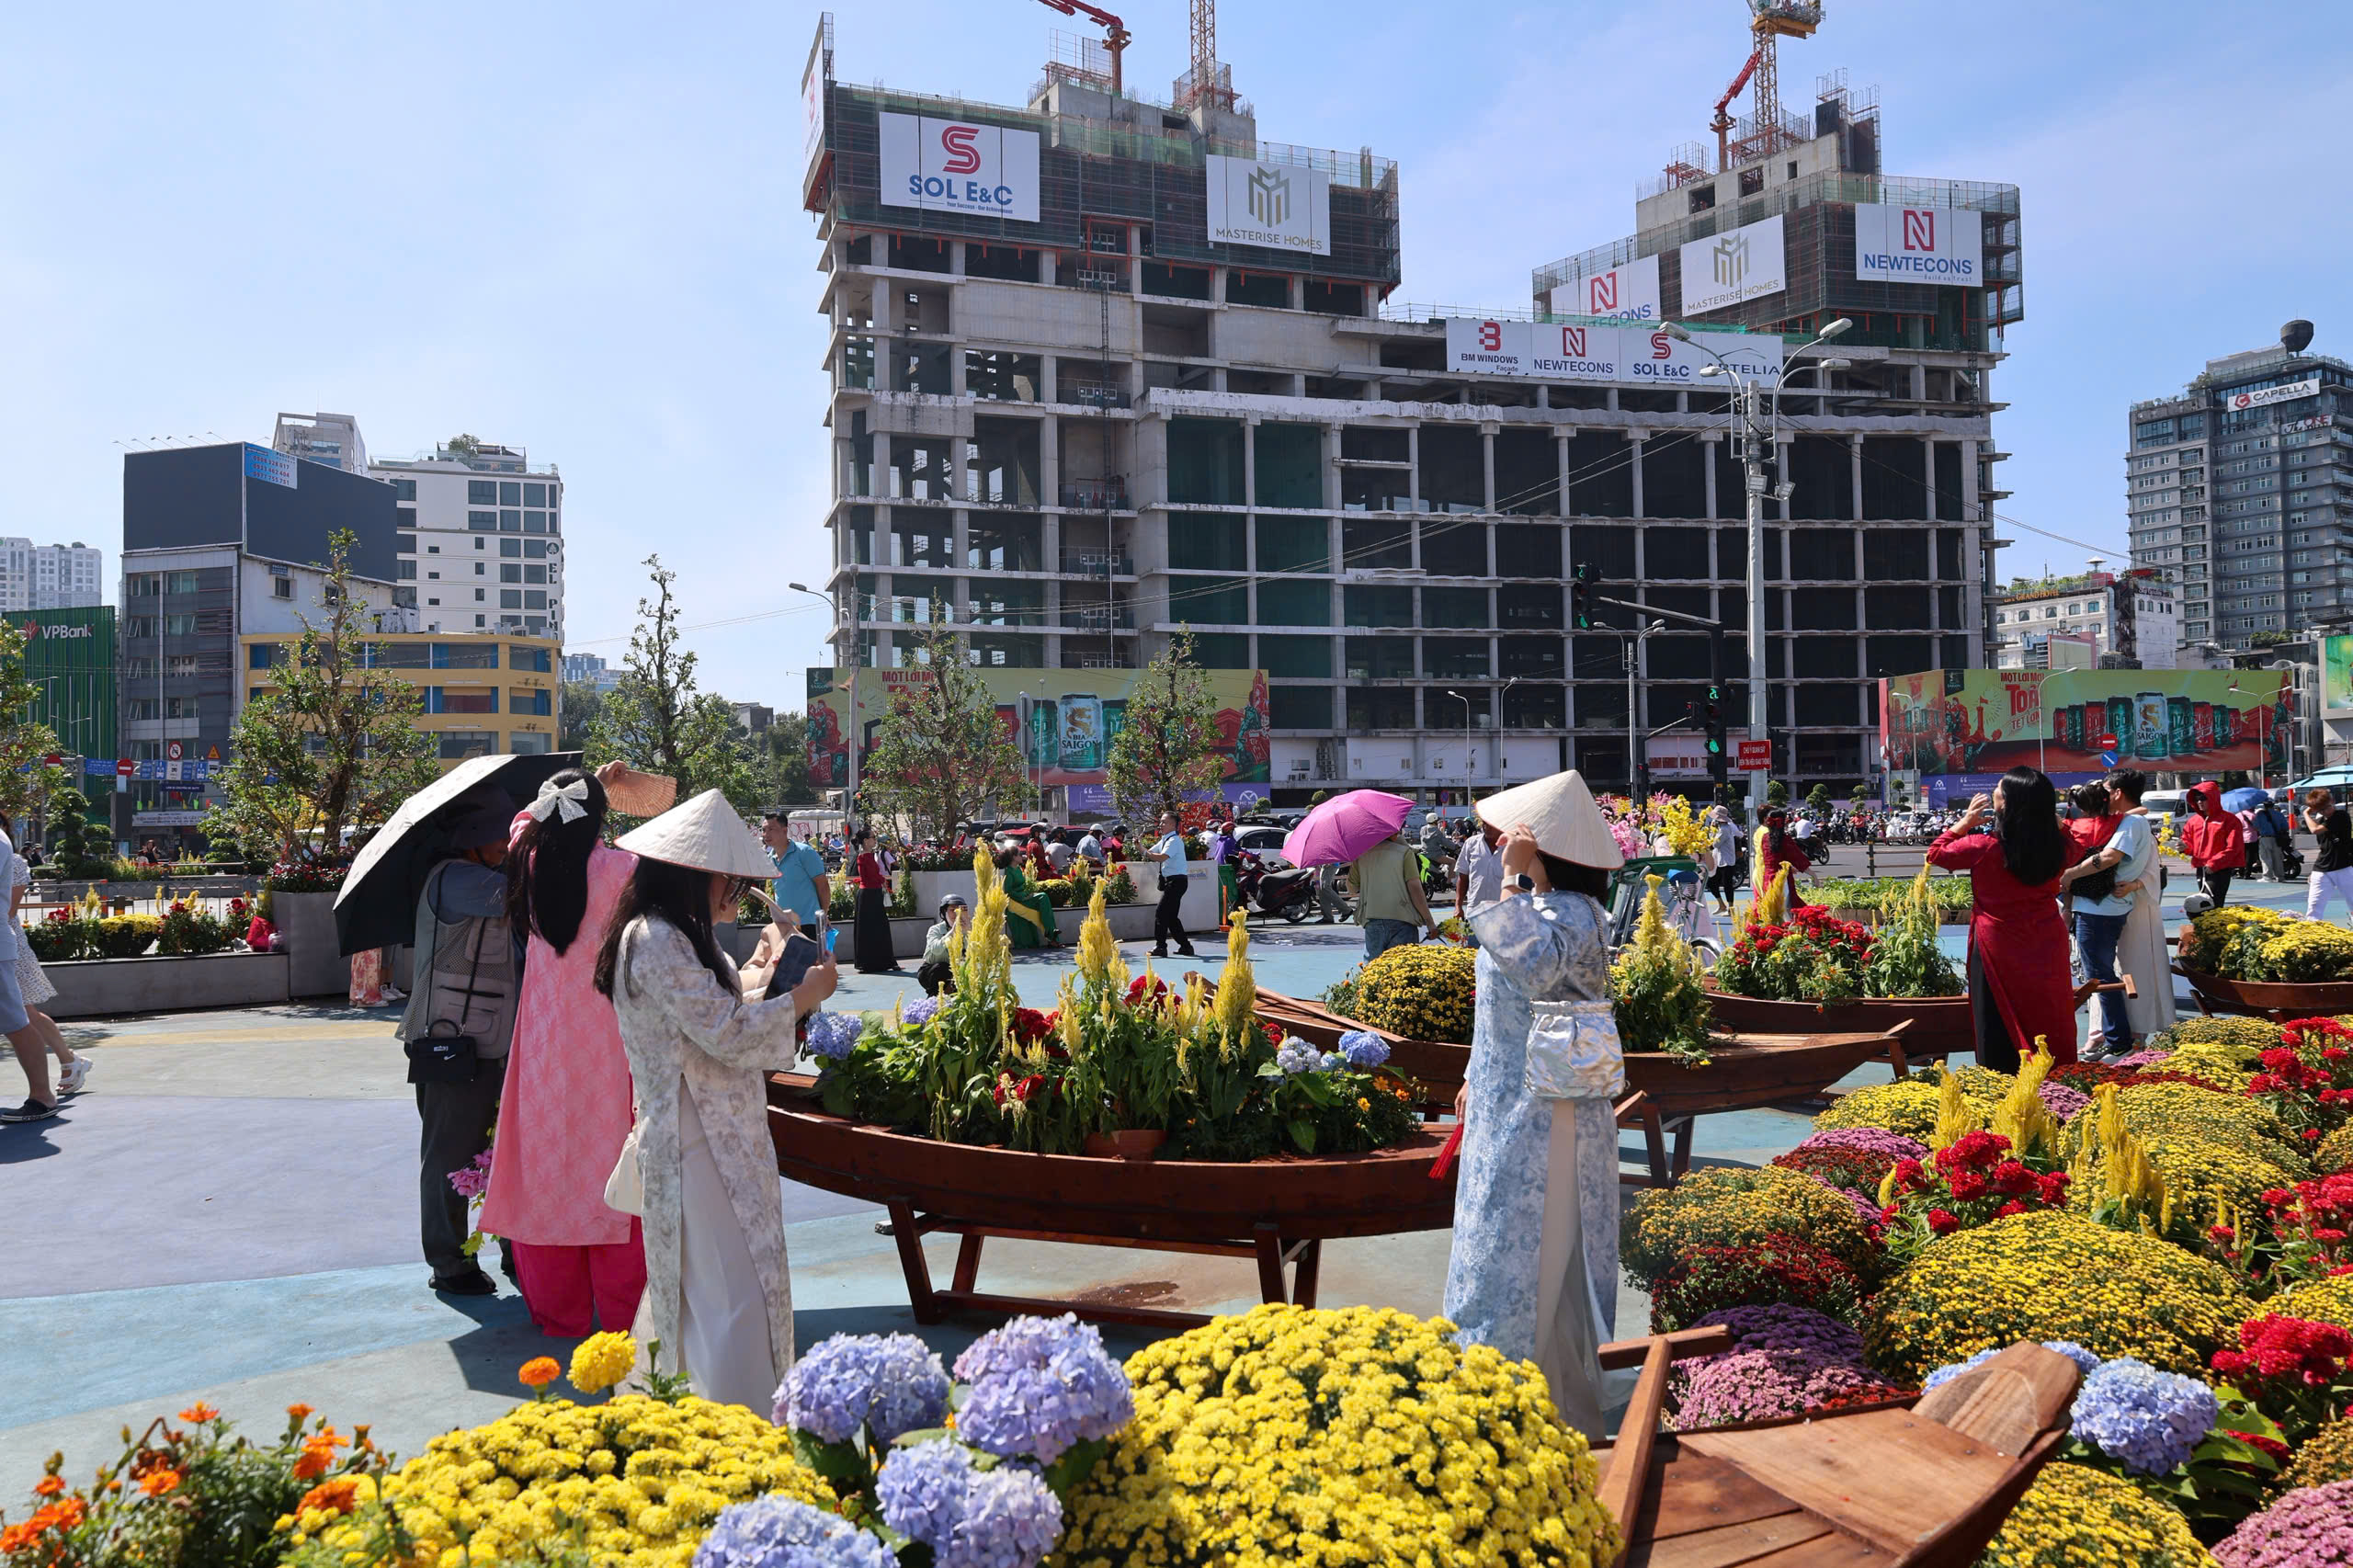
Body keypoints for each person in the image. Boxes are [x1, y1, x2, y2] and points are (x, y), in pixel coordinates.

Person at [597, 789, 837, 1408]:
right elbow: (725, 1033)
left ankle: (699, 1425)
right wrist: (802, 997)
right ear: (692, 877)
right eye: (726, 881)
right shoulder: (654, 938)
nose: (732, 893)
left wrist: (770, 976)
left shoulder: (664, 933)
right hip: (694, 1137)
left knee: (710, 1294)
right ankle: (741, 1431)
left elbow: (713, 1022)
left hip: (710, 1133)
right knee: (730, 1296)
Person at [1444, 768, 1624, 1435]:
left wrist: (1515, 881)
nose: (1499, 846)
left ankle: (1513, 1394)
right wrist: (1471, 1069)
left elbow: (1534, 969)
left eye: (1515, 840)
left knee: (1524, 1251)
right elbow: (1499, 1007)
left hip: (1548, 1112)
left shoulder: (1574, 914)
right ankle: (1527, 1388)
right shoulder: (1550, 909)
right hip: (1511, 1098)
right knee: (1501, 1241)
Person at [481, 764, 647, 1338]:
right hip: (608, 1037)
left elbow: (526, 818)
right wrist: (598, 792)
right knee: (615, 1165)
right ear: (599, 817)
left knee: (550, 1169)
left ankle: (559, 1312)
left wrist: (577, 789)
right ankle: (624, 1314)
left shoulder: (526, 855)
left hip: (544, 1043)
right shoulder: (623, 869)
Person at [395, 799, 523, 1294]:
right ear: (472, 836)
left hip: (492, 1039)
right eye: (501, 835)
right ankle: (449, 1264)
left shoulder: (480, 875)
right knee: (451, 1158)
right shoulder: (456, 879)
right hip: (456, 1042)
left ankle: (519, 1250)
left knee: (507, 1154)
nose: (507, 845)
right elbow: (521, 898)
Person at [1927, 767, 2076, 1071]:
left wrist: (1964, 823)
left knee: (1995, 1016)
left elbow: (1936, 854)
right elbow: (2073, 839)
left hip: (1997, 940)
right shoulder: (2060, 846)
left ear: (2005, 802)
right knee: (2048, 1010)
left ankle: (2000, 1082)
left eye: (1999, 789)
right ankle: (2056, 1077)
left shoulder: (1983, 847)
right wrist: (2044, 811)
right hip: (2047, 938)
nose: (1993, 791)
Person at [2056, 776, 2153, 1060]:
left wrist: (2070, 875)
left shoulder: (2129, 823)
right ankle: (2116, 1039)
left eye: (2106, 789)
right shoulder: (2126, 820)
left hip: (2099, 908)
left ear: (2118, 793)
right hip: (2104, 907)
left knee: (2099, 976)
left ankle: (2119, 1041)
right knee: (2100, 973)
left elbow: (2109, 857)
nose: (2103, 793)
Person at [0, 811, 90, 1099]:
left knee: (24, 1013)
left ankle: (68, 1063)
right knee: (24, 1013)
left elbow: (10, 909)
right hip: (8, 940)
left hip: (11, 943)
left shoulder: (13, 860)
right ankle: (69, 1062)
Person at [1351, 827, 1438, 961]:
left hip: (1372, 918)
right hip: (1403, 919)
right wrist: (1429, 922)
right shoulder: (1404, 852)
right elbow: (1415, 887)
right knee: (1403, 970)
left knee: (1374, 971)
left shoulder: (1362, 855)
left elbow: (1351, 888)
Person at [760, 809, 831, 930]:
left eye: (771, 829)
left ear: (784, 830)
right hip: (783, 925)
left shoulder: (804, 852)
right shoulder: (770, 858)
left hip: (808, 924)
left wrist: (823, 915)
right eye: (764, 830)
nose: (766, 834)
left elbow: (823, 885)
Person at [1142, 811, 1198, 960]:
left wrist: (1143, 851)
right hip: (1173, 882)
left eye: (1164, 822)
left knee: (1161, 913)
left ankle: (1161, 947)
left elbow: (1160, 857)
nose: (1161, 824)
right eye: (1161, 821)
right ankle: (1186, 946)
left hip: (1177, 882)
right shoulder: (1165, 839)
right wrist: (1138, 846)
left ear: (1173, 825)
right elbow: (1150, 852)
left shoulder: (1174, 841)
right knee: (1171, 917)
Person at [2182, 781, 2246, 907]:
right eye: (2196, 799)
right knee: (2203, 904)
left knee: (2212, 904)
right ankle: (2205, 926)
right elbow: (2189, 843)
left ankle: (2215, 926)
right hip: (2201, 868)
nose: (2199, 802)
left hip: (2220, 869)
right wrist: (2185, 848)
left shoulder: (2229, 820)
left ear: (2213, 798)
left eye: (2203, 798)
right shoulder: (2193, 821)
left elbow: (2233, 847)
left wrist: (2214, 863)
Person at [849, 827, 898, 974]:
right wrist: (882, 880)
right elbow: (871, 876)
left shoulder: (867, 855)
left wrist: (880, 880)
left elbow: (871, 875)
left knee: (875, 929)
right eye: (873, 837)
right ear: (865, 841)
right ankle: (873, 962)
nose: (875, 840)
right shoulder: (864, 856)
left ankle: (876, 962)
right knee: (874, 929)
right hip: (869, 895)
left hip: (871, 894)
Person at [998, 845, 1063, 949]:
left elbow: (1023, 885)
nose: (1022, 856)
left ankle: (1052, 933)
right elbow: (1009, 891)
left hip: (1026, 897)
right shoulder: (1008, 871)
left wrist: (1029, 889)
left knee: (1043, 900)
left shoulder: (1018, 869)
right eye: (1019, 854)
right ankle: (1052, 933)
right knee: (1043, 897)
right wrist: (1023, 896)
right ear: (1014, 857)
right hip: (1018, 901)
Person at [2308, 789, 2353, 923]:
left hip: (2343, 867)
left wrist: (2305, 813)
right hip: (2322, 868)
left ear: (2332, 801)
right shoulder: (2321, 820)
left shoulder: (2341, 816)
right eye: (2320, 810)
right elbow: (2324, 848)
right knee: (2314, 907)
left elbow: (2314, 830)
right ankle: (2310, 936)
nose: (2325, 812)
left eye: (2326, 807)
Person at [1453, 819, 1505, 932]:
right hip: (1475, 911)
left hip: (1503, 914)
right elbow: (1463, 877)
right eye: (1484, 823)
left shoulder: (1511, 847)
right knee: (1471, 949)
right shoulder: (1471, 843)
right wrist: (1458, 906)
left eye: (1491, 824)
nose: (1487, 827)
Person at [1756, 810, 1812, 908]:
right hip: (1782, 878)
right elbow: (1797, 858)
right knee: (1786, 910)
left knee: (1771, 910)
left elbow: (1771, 859)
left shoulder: (1764, 838)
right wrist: (1814, 876)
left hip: (1767, 877)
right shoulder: (1785, 839)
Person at [916, 895, 966, 995]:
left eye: (959, 910)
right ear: (944, 912)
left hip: (955, 972)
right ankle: (933, 1001)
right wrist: (952, 932)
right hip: (931, 971)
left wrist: (967, 933)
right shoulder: (935, 929)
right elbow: (936, 949)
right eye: (952, 910)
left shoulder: (967, 930)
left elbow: (971, 954)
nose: (957, 914)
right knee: (942, 968)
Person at [1705, 805, 1742, 915]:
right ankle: (1721, 905)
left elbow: (1715, 844)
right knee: (1712, 883)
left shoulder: (1724, 830)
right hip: (1720, 860)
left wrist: (1711, 833)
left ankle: (1730, 909)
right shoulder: (1721, 829)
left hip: (1727, 860)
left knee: (1727, 885)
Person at [2253, 799, 2289, 882]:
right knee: (2278, 858)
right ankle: (2280, 877)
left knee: (2266, 857)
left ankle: (2267, 877)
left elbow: (2255, 826)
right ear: (2273, 805)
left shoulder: (2260, 815)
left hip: (2265, 838)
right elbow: (2286, 827)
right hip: (2277, 838)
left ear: (2264, 805)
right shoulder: (2279, 814)